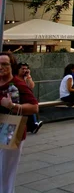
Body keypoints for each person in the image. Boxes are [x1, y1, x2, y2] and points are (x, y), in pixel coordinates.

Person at [0, 52, 39, 193]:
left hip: (11, 128)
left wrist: (12, 106)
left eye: (5, 64)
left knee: (5, 172)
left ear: (12, 66)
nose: (1, 67)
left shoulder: (18, 84)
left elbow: (34, 107)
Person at [16, 62, 43, 134]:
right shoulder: (15, 78)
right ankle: (33, 125)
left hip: (26, 100)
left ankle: (33, 125)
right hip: (17, 100)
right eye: (23, 69)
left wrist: (28, 76)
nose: (25, 70)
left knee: (31, 106)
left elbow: (31, 86)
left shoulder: (26, 78)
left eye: (26, 69)